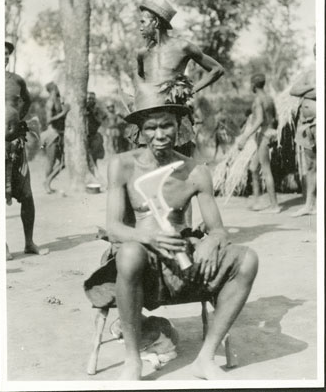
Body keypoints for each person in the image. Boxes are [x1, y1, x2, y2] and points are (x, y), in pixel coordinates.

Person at [84, 85, 258, 380]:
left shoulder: (195, 171)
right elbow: (114, 228)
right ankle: (132, 362)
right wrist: (147, 237)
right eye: (151, 127)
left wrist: (210, 242)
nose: (160, 134)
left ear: (180, 128)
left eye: (167, 125)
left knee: (247, 259)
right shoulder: (122, 166)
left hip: (183, 262)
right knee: (128, 253)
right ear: (140, 131)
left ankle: (205, 359)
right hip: (139, 259)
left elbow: (218, 230)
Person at [136, 0, 224, 156]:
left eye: (143, 22)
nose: (140, 27)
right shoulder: (142, 54)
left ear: (155, 22)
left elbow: (217, 69)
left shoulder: (183, 46)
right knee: (147, 166)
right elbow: (141, 78)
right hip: (149, 117)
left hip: (175, 117)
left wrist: (191, 91)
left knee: (180, 168)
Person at [5, 41, 49, 260]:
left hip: (15, 144)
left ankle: (29, 242)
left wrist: (18, 119)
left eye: (6, 54)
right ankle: (1, 245)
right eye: (0, 53)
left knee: (27, 195)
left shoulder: (16, 80)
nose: (3, 57)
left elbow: (27, 100)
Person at [238, 73, 280, 213]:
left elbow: (259, 120)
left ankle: (275, 206)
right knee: (253, 167)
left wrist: (244, 137)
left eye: (250, 84)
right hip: (269, 134)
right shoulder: (269, 98)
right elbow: (276, 120)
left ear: (254, 85)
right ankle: (258, 202)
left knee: (266, 170)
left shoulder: (258, 100)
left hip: (264, 135)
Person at [290, 45, 316, 217]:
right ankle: (309, 205)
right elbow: (294, 90)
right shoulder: (310, 71)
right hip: (307, 125)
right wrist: (311, 87)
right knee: (312, 166)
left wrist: (309, 90)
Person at [41, 82, 69, 194]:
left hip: (60, 134)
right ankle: (47, 185)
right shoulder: (50, 102)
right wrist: (63, 113)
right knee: (51, 162)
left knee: (64, 162)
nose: (58, 89)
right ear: (52, 90)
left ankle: (47, 182)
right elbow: (49, 120)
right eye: (56, 88)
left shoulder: (58, 100)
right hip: (52, 134)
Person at [86, 92, 105, 172]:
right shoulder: (84, 108)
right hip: (85, 135)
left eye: (92, 99)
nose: (90, 100)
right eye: (89, 98)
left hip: (94, 135)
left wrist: (93, 114)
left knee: (94, 156)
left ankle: (94, 172)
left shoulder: (97, 109)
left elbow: (101, 121)